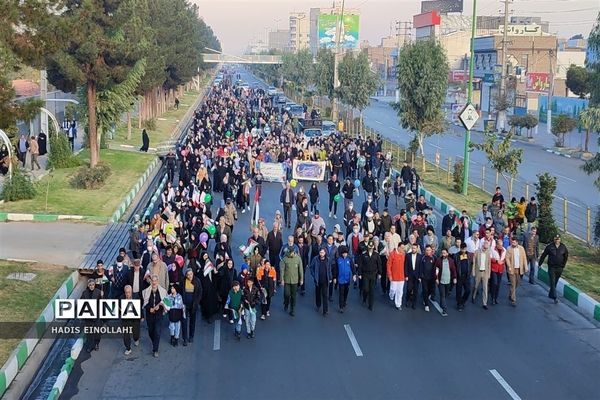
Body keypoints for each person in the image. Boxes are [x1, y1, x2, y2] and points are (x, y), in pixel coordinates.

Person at [538, 234, 569, 304]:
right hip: (551, 267)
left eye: (558, 239)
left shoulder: (563, 247)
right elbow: (544, 255)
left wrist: (563, 265)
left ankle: (550, 294)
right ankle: (555, 297)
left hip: (559, 268)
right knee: (552, 281)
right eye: (555, 239)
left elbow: (566, 256)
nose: (557, 240)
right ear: (554, 239)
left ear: (560, 240)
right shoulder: (550, 246)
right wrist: (540, 264)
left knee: (555, 282)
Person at [142, 274, 167, 358]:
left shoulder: (163, 291)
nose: (154, 282)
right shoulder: (146, 291)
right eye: (153, 281)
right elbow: (145, 303)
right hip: (149, 314)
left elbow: (166, 302)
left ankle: (155, 349)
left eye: (156, 281)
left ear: (158, 281)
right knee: (151, 331)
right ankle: (154, 342)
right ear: (151, 281)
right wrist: (149, 309)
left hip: (159, 314)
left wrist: (159, 306)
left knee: (157, 331)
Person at [357, 241, 382, 311]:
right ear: (367, 247)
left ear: (373, 247)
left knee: (372, 290)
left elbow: (379, 264)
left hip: (373, 274)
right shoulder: (364, 254)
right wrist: (359, 274)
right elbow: (360, 265)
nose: (371, 248)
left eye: (372, 246)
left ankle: (370, 305)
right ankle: (364, 297)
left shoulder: (376, 255)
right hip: (365, 274)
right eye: (369, 246)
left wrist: (380, 273)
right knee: (366, 289)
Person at [180, 268, 202, 345]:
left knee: (192, 321)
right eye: (188, 274)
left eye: (191, 274)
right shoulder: (183, 281)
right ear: (186, 275)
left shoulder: (197, 281)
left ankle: (191, 336)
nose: (190, 276)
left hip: (193, 305)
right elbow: (180, 291)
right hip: (184, 305)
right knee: (184, 321)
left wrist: (197, 302)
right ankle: (185, 338)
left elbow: (199, 292)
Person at [280, 248, 303, 316]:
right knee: (287, 294)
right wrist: (282, 279)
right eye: (290, 253)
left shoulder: (298, 259)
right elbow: (282, 270)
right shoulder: (285, 259)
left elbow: (301, 270)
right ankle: (286, 303)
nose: (291, 254)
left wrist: (301, 279)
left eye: (292, 252)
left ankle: (292, 309)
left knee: (293, 296)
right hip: (287, 280)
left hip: (295, 280)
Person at [505, 237, 528, 307]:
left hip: (519, 269)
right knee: (513, 284)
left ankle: (511, 293)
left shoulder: (521, 249)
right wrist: (509, 266)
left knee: (517, 283)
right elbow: (507, 258)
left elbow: (524, 258)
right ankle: (513, 299)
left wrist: (526, 267)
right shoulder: (509, 248)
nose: (513, 243)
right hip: (512, 269)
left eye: (514, 242)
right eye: (512, 242)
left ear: (517, 242)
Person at [81, 278, 102, 353]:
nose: (91, 286)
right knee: (89, 332)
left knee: (97, 331)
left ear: (95, 285)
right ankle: (90, 345)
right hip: (88, 315)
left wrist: (103, 296)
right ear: (88, 285)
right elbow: (81, 303)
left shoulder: (99, 292)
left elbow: (103, 303)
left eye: (93, 285)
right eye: (90, 285)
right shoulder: (84, 293)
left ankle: (96, 344)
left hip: (96, 315)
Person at [434, 248, 457, 316]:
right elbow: (436, 270)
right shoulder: (438, 260)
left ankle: (442, 303)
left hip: (448, 281)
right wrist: (436, 278)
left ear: (447, 253)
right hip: (441, 281)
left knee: (446, 294)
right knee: (442, 295)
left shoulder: (451, 261)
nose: (443, 254)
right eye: (442, 253)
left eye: (444, 253)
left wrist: (455, 278)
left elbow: (453, 270)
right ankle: (444, 309)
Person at [310, 248, 332, 316]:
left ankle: (325, 310)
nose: (321, 254)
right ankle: (318, 305)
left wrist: (330, 277)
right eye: (320, 252)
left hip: (325, 280)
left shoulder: (328, 260)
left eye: (323, 252)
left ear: (325, 253)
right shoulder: (315, 259)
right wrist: (314, 275)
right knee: (318, 293)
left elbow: (329, 269)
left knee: (325, 295)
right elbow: (311, 267)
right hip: (318, 280)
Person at [333, 246, 355, 313]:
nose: (345, 254)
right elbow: (335, 270)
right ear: (341, 253)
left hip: (347, 279)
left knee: (346, 291)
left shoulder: (349, 259)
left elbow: (352, 267)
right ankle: (341, 306)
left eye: (346, 253)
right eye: (343, 253)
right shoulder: (338, 259)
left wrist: (354, 275)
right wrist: (334, 278)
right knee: (341, 293)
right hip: (340, 279)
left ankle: (344, 301)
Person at [121, 285, 140, 355]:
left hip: (135, 318)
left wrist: (142, 316)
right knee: (126, 334)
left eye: (129, 292)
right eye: (126, 292)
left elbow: (139, 307)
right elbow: (118, 308)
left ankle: (136, 339)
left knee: (136, 332)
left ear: (131, 292)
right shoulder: (121, 298)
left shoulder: (136, 297)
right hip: (126, 319)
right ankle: (128, 348)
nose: (127, 294)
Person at [472, 242, 492, 310]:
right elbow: (474, 262)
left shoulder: (488, 253)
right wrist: (473, 272)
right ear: (482, 246)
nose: (485, 249)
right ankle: (473, 296)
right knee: (476, 286)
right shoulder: (477, 252)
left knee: (485, 288)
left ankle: (484, 303)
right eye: (484, 247)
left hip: (485, 273)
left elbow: (489, 264)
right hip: (478, 272)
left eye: (486, 248)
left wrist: (489, 274)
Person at [387, 242, 406, 310]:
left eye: (403, 248)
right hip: (394, 276)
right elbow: (389, 265)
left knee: (400, 291)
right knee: (393, 289)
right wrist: (390, 275)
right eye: (402, 248)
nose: (403, 249)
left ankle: (398, 304)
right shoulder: (392, 254)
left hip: (401, 276)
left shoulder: (403, 254)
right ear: (398, 247)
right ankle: (391, 295)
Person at [453, 243, 471, 311]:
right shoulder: (456, 255)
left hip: (466, 276)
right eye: (462, 249)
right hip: (459, 276)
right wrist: (454, 276)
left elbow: (470, 264)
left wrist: (470, 273)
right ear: (460, 248)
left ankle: (463, 301)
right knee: (459, 291)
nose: (463, 250)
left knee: (468, 290)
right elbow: (454, 267)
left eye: (465, 249)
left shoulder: (469, 255)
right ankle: (459, 304)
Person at [404, 243, 422, 309]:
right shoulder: (408, 255)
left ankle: (414, 303)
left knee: (416, 290)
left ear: (417, 249)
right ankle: (407, 300)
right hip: (410, 275)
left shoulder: (420, 256)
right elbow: (405, 266)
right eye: (412, 248)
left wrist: (420, 277)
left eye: (415, 248)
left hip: (417, 276)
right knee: (409, 289)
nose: (413, 249)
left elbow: (421, 267)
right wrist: (406, 275)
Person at [419, 245, 436, 312]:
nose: (428, 251)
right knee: (425, 290)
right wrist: (420, 276)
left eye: (429, 250)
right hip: (424, 278)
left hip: (432, 278)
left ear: (431, 250)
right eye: (427, 250)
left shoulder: (434, 257)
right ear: (425, 251)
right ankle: (426, 305)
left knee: (431, 290)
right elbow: (420, 267)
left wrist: (436, 277)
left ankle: (425, 297)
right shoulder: (422, 257)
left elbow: (436, 268)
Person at [490, 239, 506, 305]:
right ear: (496, 245)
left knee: (498, 285)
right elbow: (490, 258)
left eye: (502, 245)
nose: (501, 246)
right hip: (494, 268)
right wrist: (496, 261)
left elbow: (505, 258)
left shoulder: (504, 250)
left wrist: (503, 261)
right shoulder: (492, 249)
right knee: (495, 283)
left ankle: (496, 298)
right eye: (499, 245)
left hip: (500, 269)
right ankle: (492, 298)